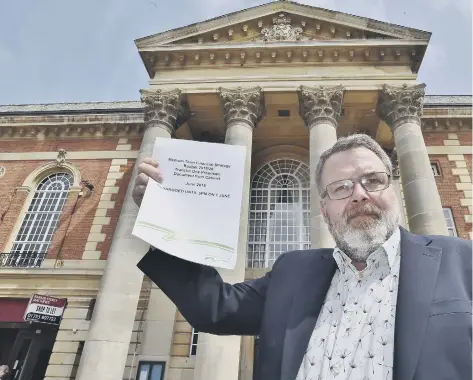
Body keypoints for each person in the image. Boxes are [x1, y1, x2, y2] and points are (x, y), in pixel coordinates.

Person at [133, 134, 472, 380]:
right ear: (324, 209)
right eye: (340, 187)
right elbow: (215, 309)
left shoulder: (462, 261)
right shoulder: (293, 272)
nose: (358, 195)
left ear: (393, 190)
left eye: (373, 180)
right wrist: (165, 220)